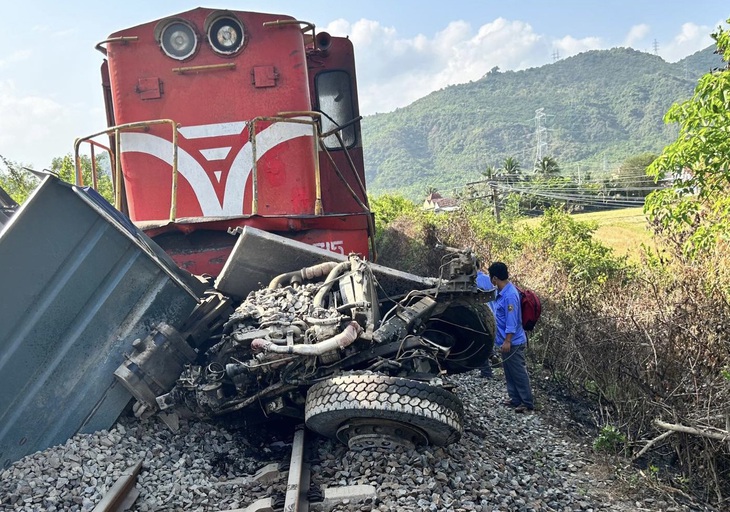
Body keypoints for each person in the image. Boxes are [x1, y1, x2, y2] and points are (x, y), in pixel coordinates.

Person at [487, 262, 534, 413]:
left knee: (518, 372)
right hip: (505, 341)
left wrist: (508, 340)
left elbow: (512, 321)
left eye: (490, 277)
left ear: (494, 278)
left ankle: (526, 402)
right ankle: (515, 399)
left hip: (513, 342)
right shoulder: (501, 293)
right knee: (509, 371)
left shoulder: (510, 295)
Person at [476, 268, 497, 378]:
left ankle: (486, 372)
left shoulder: (473, 281)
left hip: (481, 316)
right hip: (493, 314)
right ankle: (493, 354)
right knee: (488, 340)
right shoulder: (489, 279)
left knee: (480, 343)